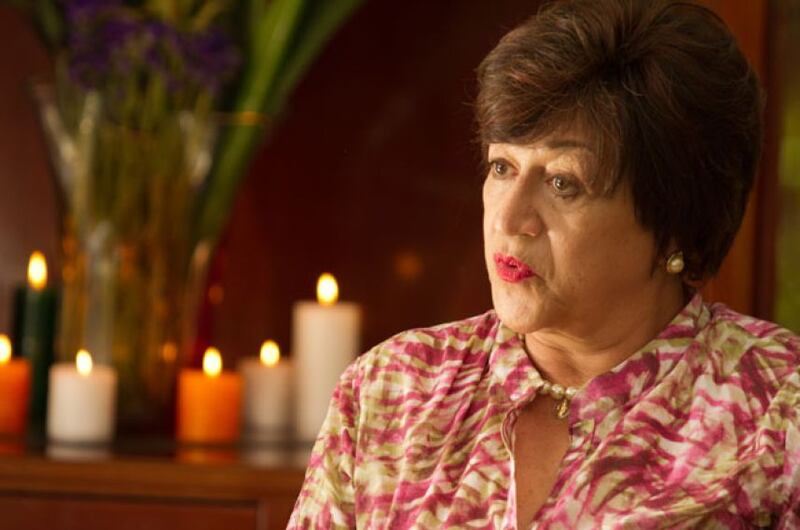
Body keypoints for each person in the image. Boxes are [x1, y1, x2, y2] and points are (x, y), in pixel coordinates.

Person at [288, 0, 800, 528]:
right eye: (502, 167)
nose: (509, 219)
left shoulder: (779, 409)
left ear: (674, 220)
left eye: (562, 182)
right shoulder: (391, 390)